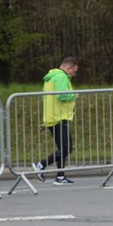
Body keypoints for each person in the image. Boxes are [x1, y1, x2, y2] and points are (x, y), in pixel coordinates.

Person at [33, 56, 79, 185]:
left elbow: (44, 98)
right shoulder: (61, 77)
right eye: (74, 71)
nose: (74, 74)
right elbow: (62, 95)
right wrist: (74, 95)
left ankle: (60, 176)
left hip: (52, 117)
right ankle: (41, 165)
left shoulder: (50, 78)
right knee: (67, 149)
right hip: (59, 117)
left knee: (62, 148)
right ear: (68, 68)